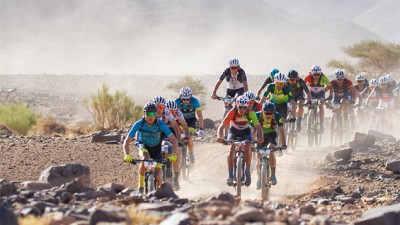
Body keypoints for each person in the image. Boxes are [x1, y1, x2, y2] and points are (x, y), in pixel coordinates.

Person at [123, 102, 179, 193]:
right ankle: (140, 188)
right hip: (144, 146)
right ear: (144, 114)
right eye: (148, 114)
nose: (150, 116)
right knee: (145, 159)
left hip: (157, 149)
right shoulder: (139, 124)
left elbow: (174, 140)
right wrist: (127, 155)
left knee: (157, 174)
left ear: (156, 114)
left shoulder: (160, 124)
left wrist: (175, 155)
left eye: (152, 114)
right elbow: (126, 141)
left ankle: (161, 193)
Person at [216, 95, 264, 187]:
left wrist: (260, 137)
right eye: (240, 107)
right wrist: (219, 136)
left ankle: (248, 171)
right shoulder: (232, 112)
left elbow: (258, 127)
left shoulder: (251, 113)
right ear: (236, 106)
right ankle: (230, 174)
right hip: (233, 131)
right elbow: (222, 125)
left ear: (247, 107)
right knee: (231, 148)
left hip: (246, 132)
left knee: (248, 147)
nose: (242, 110)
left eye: (244, 107)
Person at [255, 101, 286, 187]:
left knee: (271, 149)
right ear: (262, 111)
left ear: (273, 112)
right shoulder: (257, 115)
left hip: (271, 134)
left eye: (270, 113)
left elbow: (281, 130)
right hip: (260, 135)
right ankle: (258, 178)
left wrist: (283, 144)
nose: (268, 115)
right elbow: (252, 130)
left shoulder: (277, 116)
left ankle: (273, 175)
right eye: (266, 113)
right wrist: (250, 142)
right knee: (258, 158)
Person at [175, 87, 204, 164]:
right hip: (180, 121)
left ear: (191, 97)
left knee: (189, 136)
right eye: (184, 99)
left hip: (191, 120)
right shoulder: (176, 102)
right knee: (178, 136)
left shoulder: (195, 101)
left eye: (188, 99)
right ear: (180, 97)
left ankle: (191, 153)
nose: (186, 101)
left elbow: (200, 116)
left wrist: (201, 129)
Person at [304, 65, 333, 132]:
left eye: (318, 74)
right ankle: (309, 121)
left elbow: (330, 87)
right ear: (311, 73)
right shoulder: (308, 77)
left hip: (321, 94)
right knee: (309, 105)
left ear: (320, 73)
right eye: (314, 75)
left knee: (320, 105)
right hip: (311, 94)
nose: (316, 76)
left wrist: (331, 96)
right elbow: (302, 86)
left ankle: (321, 123)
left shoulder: (323, 77)